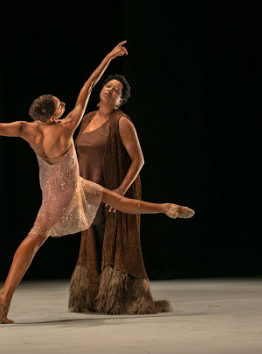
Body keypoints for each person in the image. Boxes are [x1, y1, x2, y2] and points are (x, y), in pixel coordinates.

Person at [0, 41, 194, 324]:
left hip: (69, 186)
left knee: (117, 201)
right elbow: (89, 86)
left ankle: (166, 207)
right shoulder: (67, 126)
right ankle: (3, 296)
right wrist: (109, 57)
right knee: (35, 238)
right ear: (53, 116)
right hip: (62, 196)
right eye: (61, 105)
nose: (66, 106)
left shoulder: (26, 129)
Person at [68, 74, 170, 314]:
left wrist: (121, 191)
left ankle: (120, 297)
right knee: (92, 241)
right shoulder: (87, 119)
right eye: (108, 86)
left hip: (111, 191)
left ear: (120, 101)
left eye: (116, 90)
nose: (110, 90)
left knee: (111, 239)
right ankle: (95, 296)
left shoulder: (122, 122)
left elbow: (138, 160)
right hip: (87, 192)